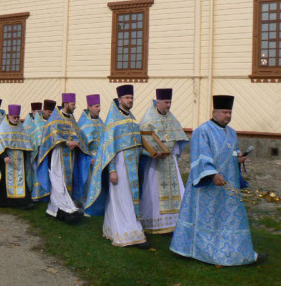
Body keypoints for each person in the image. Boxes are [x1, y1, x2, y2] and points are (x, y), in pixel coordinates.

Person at [170, 95, 261, 266]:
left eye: (230, 112)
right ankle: (201, 251)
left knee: (228, 218)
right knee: (207, 218)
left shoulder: (232, 132)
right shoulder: (202, 131)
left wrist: (238, 158)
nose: (228, 115)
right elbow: (200, 156)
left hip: (227, 185)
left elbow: (232, 153)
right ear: (215, 112)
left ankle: (235, 251)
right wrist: (212, 174)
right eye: (225, 112)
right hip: (208, 186)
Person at [85, 85, 149, 248]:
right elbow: (108, 148)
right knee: (121, 199)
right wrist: (112, 170)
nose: (130, 100)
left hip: (132, 166)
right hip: (120, 166)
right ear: (119, 99)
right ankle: (128, 234)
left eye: (131, 98)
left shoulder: (132, 118)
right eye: (127, 98)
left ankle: (118, 229)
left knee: (128, 198)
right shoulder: (113, 120)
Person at [138, 89, 189, 234]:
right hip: (154, 164)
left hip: (170, 162)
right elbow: (143, 141)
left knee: (177, 190)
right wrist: (152, 152)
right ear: (158, 102)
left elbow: (178, 138)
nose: (168, 105)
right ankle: (154, 223)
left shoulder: (172, 118)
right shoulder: (148, 120)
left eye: (170, 102)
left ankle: (175, 223)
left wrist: (174, 150)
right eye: (166, 102)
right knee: (153, 191)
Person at [34, 93, 90, 223]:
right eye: (73, 104)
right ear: (66, 104)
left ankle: (53, 209)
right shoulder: (55, 118)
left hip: (70, 155)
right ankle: (66, 208)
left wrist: (75, 142)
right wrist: (66, 142)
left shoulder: (71, 118)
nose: (75, 107)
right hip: (58, 154)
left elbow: (77, 133)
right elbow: (52, 134)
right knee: (58, 181)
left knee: (66, 181)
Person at [0, 105, 34, 209]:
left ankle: (23, 202)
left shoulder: (20, 127)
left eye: (18, 117)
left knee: (20, 180)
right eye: (14, 117)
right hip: (6, 161)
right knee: (4, 181)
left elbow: (25, 143)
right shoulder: (3, 128)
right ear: (9, 116)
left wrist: (26, 154)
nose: (16, 120)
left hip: (19, 160)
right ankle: (4, 202)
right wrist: (4, 156)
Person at [76, 94, 104, 203]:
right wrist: (89, 158)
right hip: (88, 160)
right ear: (89, 107)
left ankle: (97, 205)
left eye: (99, 106)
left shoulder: (100, 122)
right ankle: (86, 205)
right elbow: (81, 144)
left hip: (100, 157)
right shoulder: (83, 123)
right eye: (96, 106)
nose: (99, 109)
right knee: (88, 184)